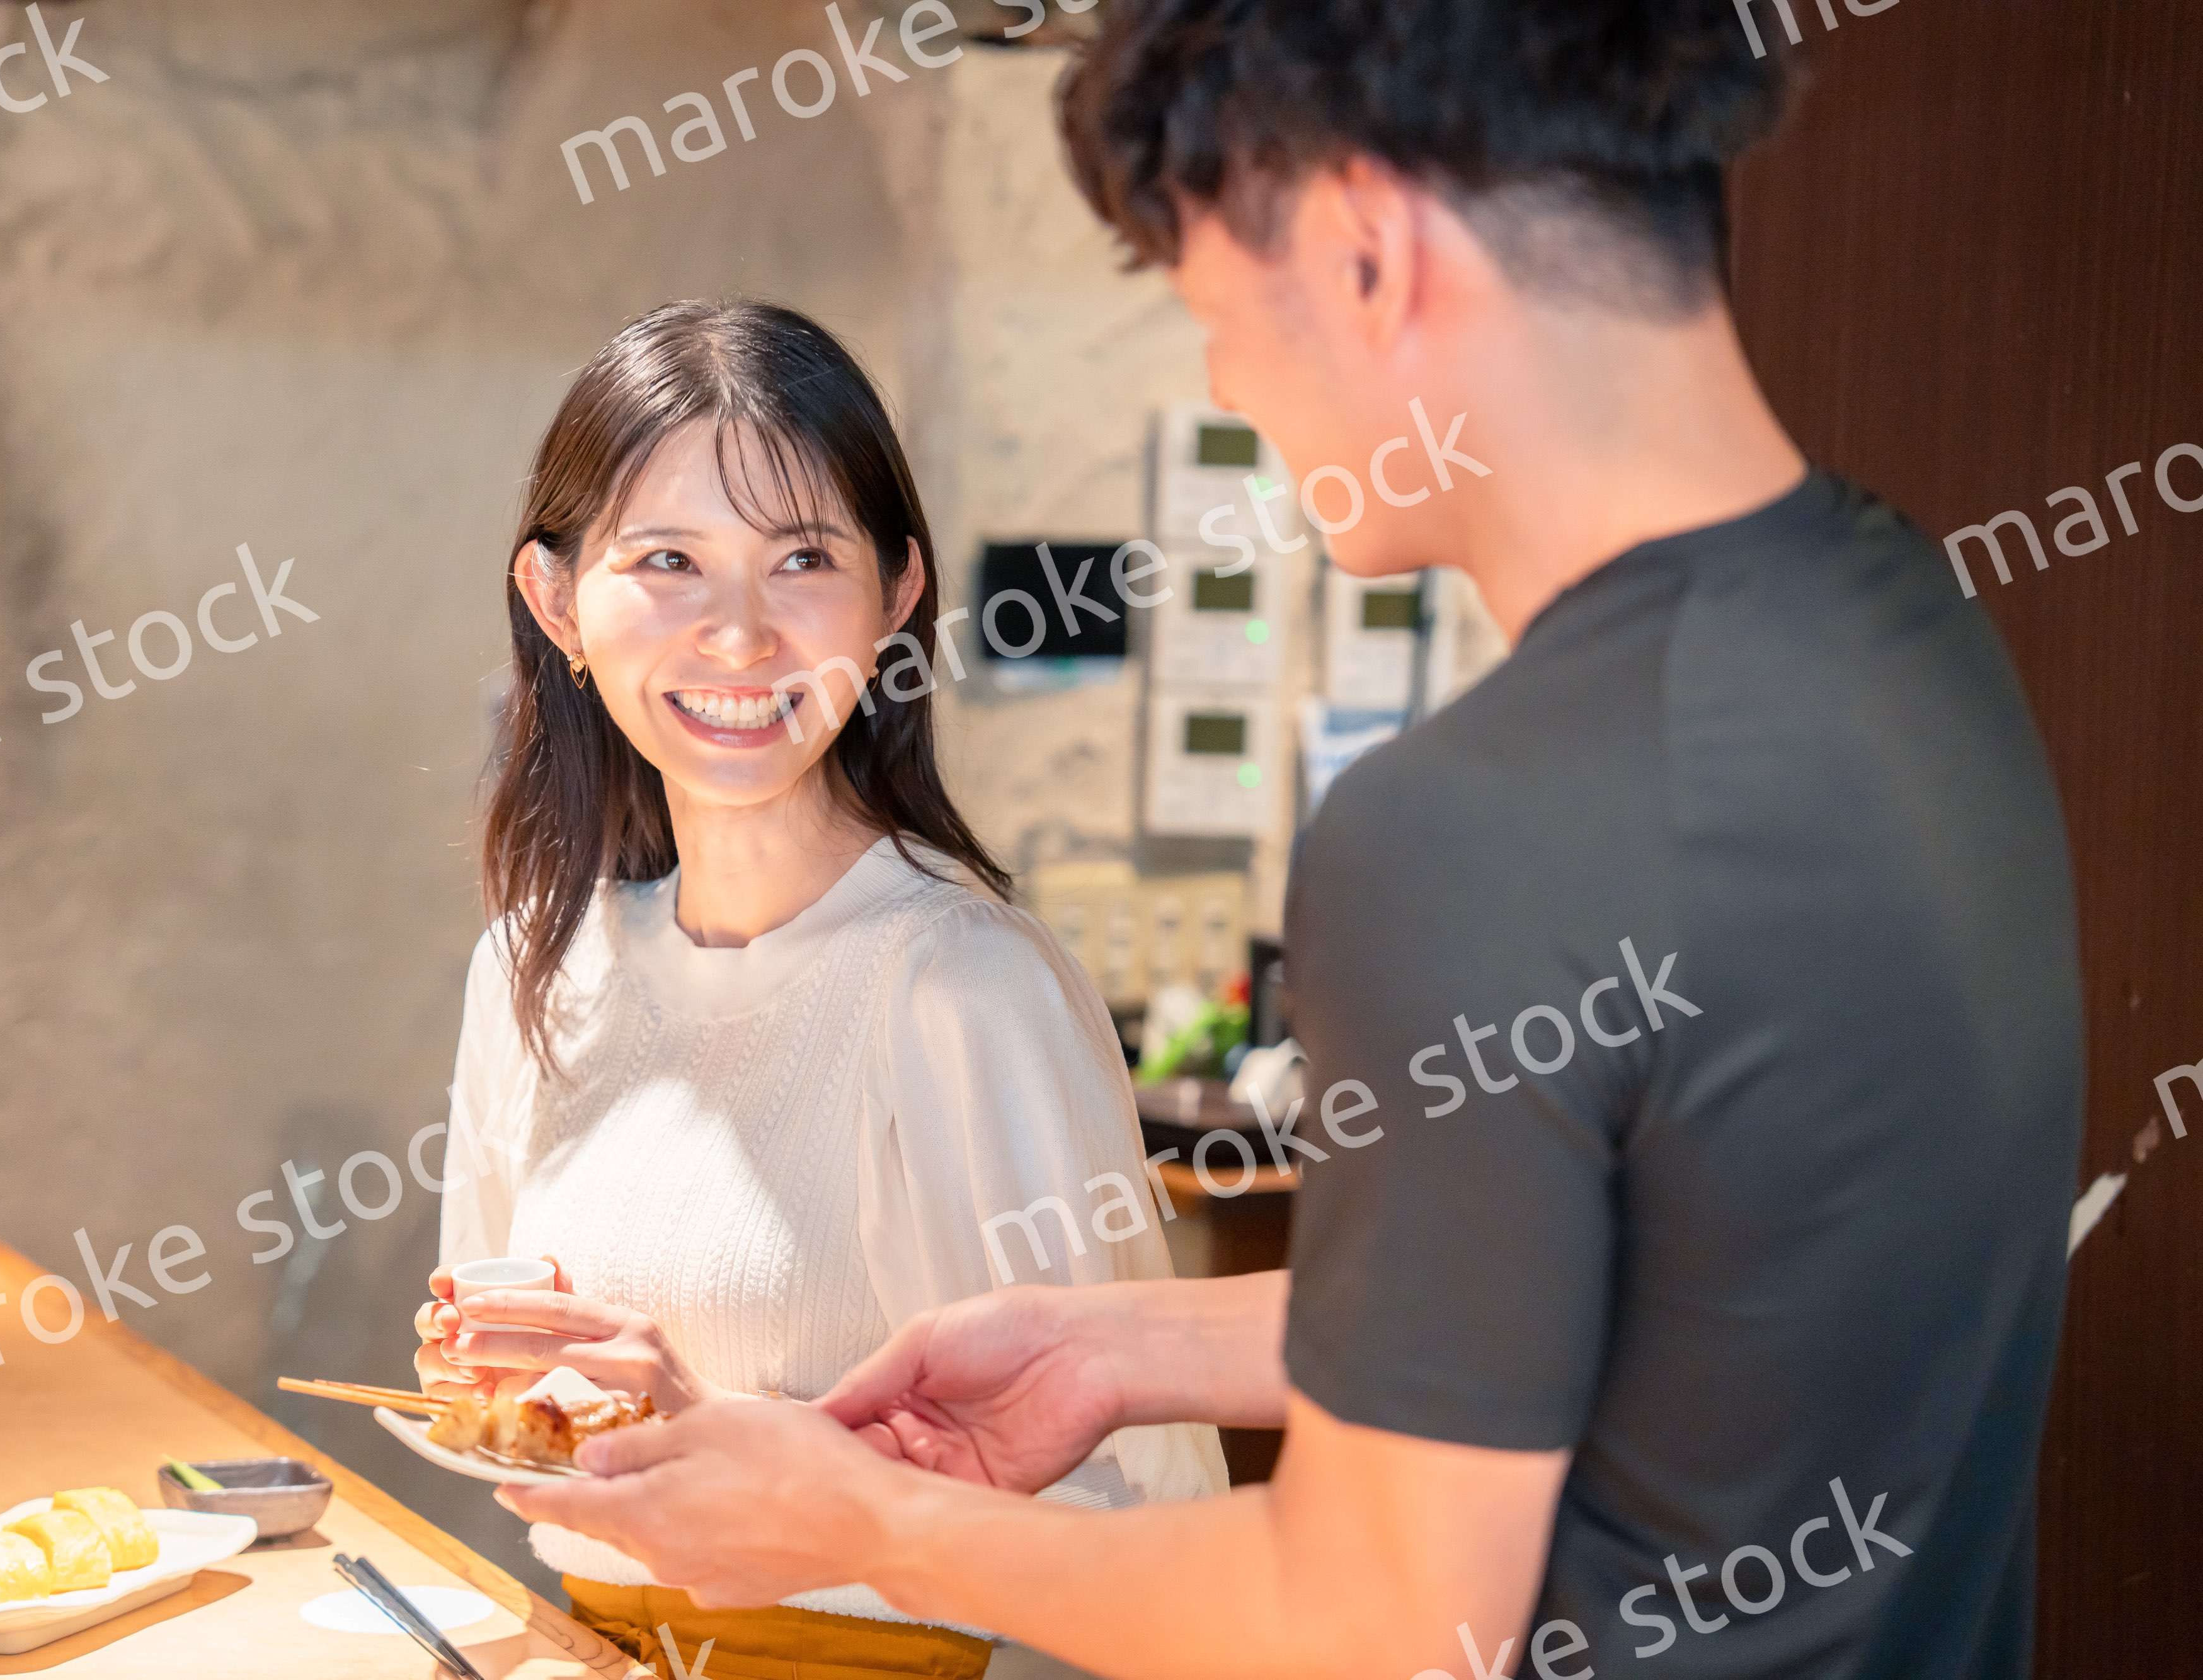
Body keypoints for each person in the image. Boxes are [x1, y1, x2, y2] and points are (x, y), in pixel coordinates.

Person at [501, 6, 2083, 1678]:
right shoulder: (1911, 614)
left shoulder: (1473, 830)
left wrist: (865, 1518)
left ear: (1363, 251)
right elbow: (1708, 1295)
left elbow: (1368, 1623)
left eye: (1210, 309)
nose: (1226, 383)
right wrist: (1127, 1343)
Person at [411, 297, 1225, 1679]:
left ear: (897, 591)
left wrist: (704, 1431)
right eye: (666, 559)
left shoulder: (960, 987)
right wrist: (503, 1382)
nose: (738, 637)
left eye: (800, 559)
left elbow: (1142, 1516)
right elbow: (494, 1409)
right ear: (556, 602)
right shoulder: (532, 967)